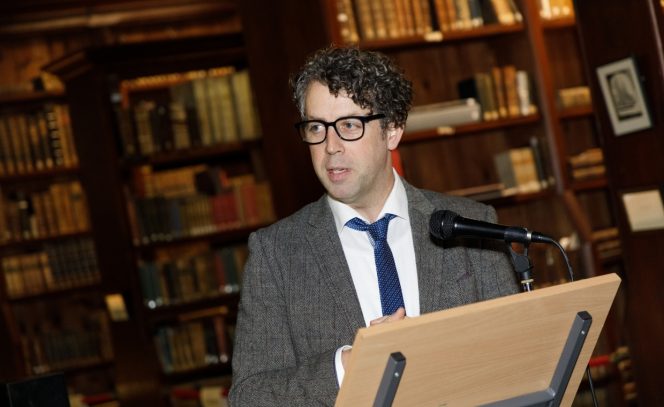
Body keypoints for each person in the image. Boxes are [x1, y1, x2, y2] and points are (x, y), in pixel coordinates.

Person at [229, 46, 518, 406]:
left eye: (349, 125)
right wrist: (348, 365)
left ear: (392, 130)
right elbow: (248, 397)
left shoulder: (472, 226)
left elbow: (517, 360)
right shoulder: (276, 253)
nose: (330, 146)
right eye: (316, 127)